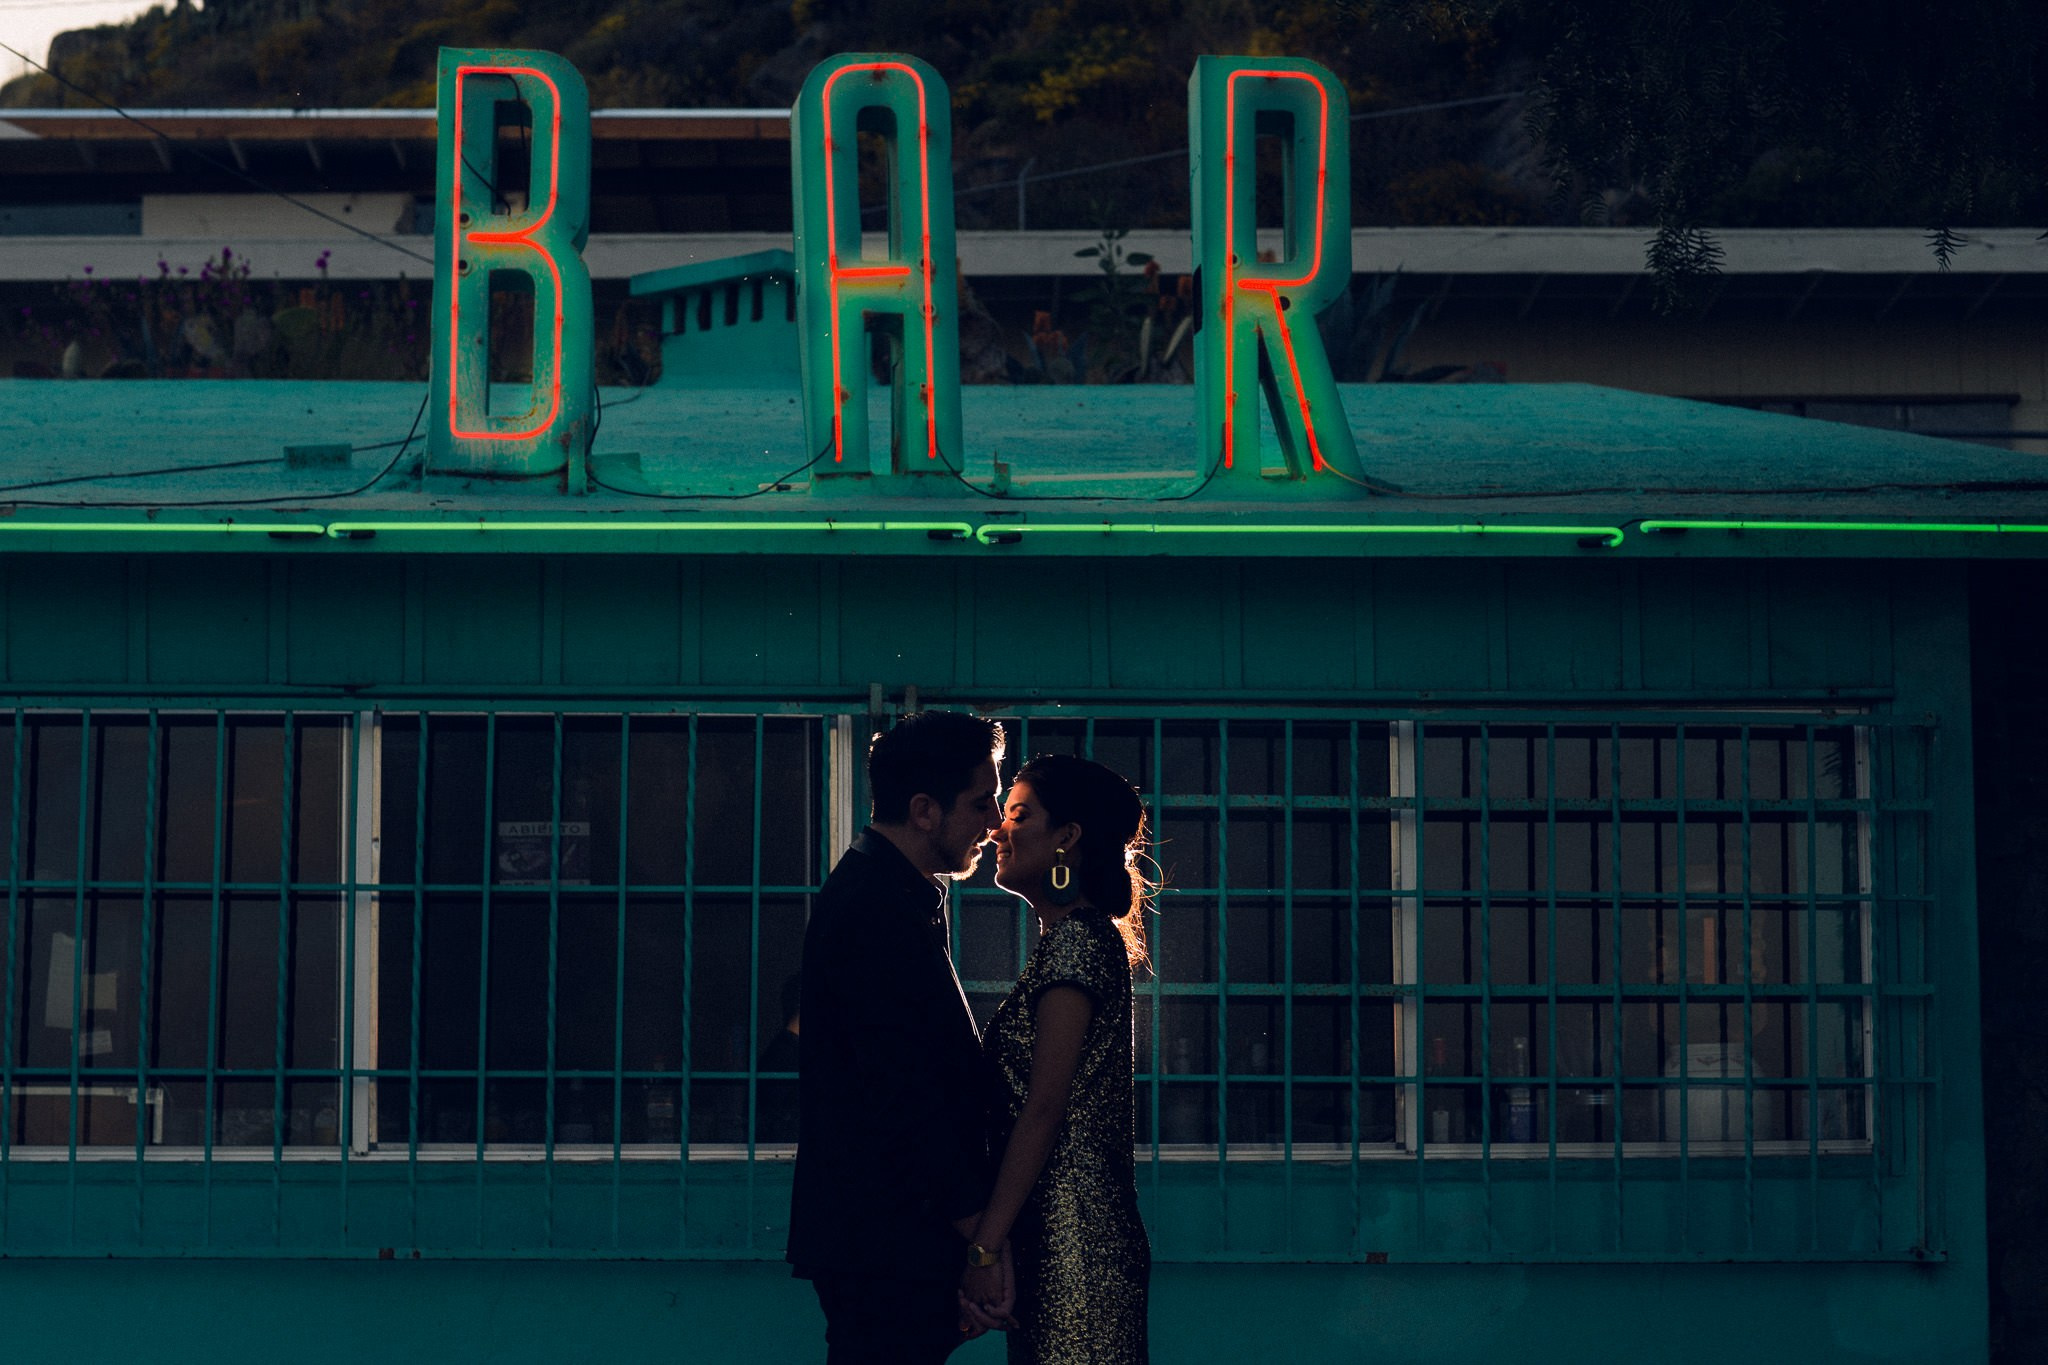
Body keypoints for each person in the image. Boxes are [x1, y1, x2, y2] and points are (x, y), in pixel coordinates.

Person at [786, 710, 1015, 1363]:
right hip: (885, 1242)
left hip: (887, 1239)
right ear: (923, 810)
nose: (994, 820)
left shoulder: (888, 893)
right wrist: (980, 1240)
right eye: (982, 800)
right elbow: (909, 1098)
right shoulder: (874, 909)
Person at [965, 753, 1152, 1364]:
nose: (997, 829)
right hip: (1059, 1232)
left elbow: (1044, 1108)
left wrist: (984, 1249)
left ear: (1067, 838)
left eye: (1018, 816)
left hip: (1075, 1241)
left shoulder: (1076, 943)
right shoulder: (1072, 941)